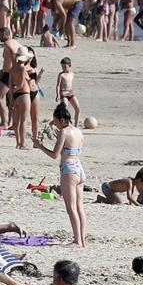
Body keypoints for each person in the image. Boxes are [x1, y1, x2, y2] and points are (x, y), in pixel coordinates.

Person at [49, 104, 86, 247]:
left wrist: (39, 146)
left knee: (71, 208)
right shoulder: (78, 131)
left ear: (62, 120)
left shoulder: (63, 132)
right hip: (80, 168)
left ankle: (77, 241)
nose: (56, 125)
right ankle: (82, 240)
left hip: (69, 170)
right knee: (79, 207)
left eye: (56, 122)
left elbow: (54, 154)